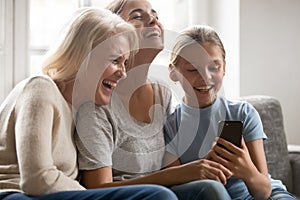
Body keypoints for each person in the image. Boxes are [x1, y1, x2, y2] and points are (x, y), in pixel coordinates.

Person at [0, 7, 178, 200]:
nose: (123, 72)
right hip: (15, 194)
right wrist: (93, 195)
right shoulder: (40, 88)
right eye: (115, 60)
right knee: (158, 196)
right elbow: (37, 179)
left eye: (125, 63)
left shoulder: (78, 109)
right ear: (83, 56)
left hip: (50, 195)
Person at [75, 1, 232, 199]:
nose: (153, 21)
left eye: (155, 15)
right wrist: (180, 174)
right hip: (128, 196)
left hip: (168, 194)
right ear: (113, 33)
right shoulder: (98, 106)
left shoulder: (162, 94)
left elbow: (172, 161)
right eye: (138, 17)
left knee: (210, 188)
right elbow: (97, 187)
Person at [164, 24, 297, 199]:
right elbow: (176, 189)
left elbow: (263, 191)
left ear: (224, 67)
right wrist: (203, 169)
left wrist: (245, 169)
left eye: (214, 67)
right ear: (173, 72)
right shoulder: (171, 125)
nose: (205, 76)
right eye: (192, 69)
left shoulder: (243, 114)